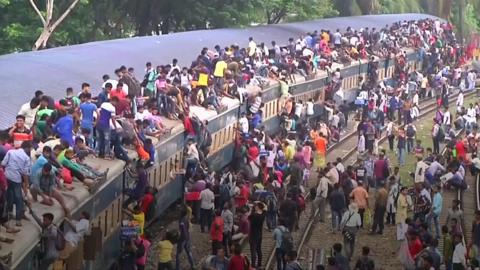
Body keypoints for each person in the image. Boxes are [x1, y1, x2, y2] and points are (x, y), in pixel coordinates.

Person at [1, 140, 31, 226]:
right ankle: (18, 220)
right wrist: (26, 185)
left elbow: (3, 163)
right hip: (16, 179)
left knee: (9, 196)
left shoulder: (10, 152)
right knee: (18, 199)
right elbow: (25, 173)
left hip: (7, 177)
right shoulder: (26, 158)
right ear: (27, 148)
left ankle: (9, 214)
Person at [249, 201, 266, 268]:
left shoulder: (254, 215)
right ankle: (259, 264)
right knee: (259, 249)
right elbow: (265, 208)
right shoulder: (263, 215)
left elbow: (249, 217)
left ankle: (253, 265)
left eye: (256, 206)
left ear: (258, 207)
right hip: (259, 234)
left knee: (253, 250)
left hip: (253, 234)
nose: (255, 207)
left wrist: (251, 210)